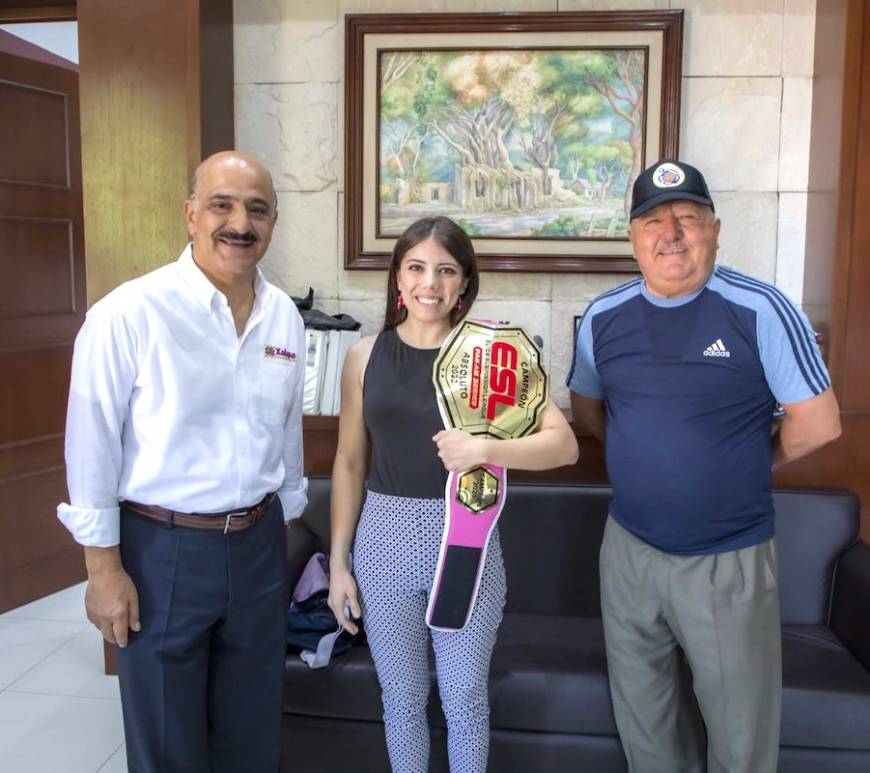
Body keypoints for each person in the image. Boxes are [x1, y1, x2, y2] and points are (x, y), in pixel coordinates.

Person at [568, 159, 842, 773]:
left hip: (728, 559)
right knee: (647, 730)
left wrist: (744, 462)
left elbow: (820, 422)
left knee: (740, 741)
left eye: (688, 218)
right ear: (632, 238)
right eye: (653, 222)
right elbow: (588, 409)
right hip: (629, 554)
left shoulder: (761, 308)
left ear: (715, 230)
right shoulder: (603, 317)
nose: (672, 233)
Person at [57, 151, 307, 772]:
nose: (240, 224)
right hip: (161, 552)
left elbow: (287, 432)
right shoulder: (128, 314)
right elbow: (91, 446)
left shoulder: (284, 315)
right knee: (168, 742)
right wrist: (101, 570)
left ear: (273, 222)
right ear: (191, 214)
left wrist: (284, 530)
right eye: (222, 205)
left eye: (257, 209)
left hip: (258, 547)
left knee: (252, 736)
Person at [328, 216, 579, 773]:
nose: (430, 284)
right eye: (416, 268)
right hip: (382, 546)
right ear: (398, 277)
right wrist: (339, 564)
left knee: (464, 700)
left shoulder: (492, 356)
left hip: (467, 543)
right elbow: (348, 461)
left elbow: (563, 446)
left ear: (464, 281)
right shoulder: (365, 356)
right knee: (400, 700)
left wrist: (486, 449)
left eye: (445, 271)